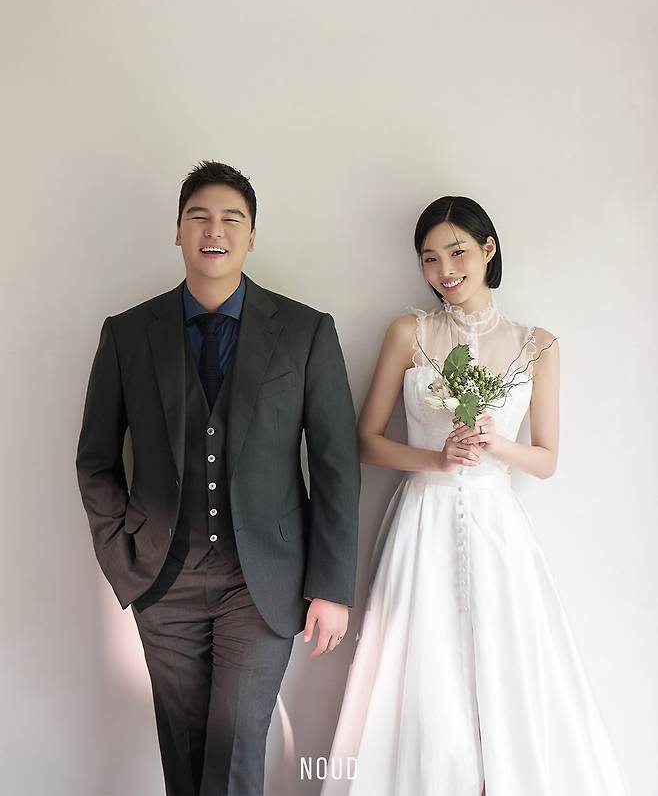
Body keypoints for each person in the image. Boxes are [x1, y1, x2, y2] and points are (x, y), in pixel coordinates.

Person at [320, 196, 632, 795]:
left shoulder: (538, 345)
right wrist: (434, 459)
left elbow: (546, 459)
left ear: (489, 249)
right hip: (423, 519)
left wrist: (497, 444)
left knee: (506, 668)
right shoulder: (409, 333)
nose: (445, 270)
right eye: (430, 258)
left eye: (457, 251)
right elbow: (365, 440)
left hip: (497, 525)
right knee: (425, 677)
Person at [75, 160, 360, 796]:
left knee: (235, 750)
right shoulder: (127, 334)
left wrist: (331, 586)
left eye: (232, 219)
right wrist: (122, 554)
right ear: (178, 230)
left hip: (262, 581)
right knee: (184, 754)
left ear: (251, 236)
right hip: (162, 578)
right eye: (199, 216)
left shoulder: (306, 332)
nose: (215, 230)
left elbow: (336, 466)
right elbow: (95, 460)